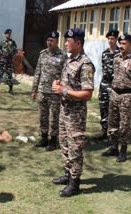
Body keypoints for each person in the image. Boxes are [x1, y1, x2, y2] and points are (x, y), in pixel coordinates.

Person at [52, 29, 95, 197]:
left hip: (76, 114)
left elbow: (88, 94)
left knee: (75, 147)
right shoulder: (69, 60)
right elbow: (68, 83)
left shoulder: (85, 64)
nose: (65, 43)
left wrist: (63, 92)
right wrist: (59, 84)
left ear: (78, 43)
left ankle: (75, 183)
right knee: (64, 144)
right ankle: (68, 174)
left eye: (68, 41)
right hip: (64, 110)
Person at [103, 33, 131, 162]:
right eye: (120, 43)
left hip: (127, 94)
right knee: (112, 121)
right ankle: (114, 147)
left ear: (130, 44)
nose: (121, 46)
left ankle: (123, 150)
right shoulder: (116, 58)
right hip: (115, 92)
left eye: (124, 43)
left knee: (124, 124)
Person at [31, 31, 65, 151]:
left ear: (57, 42)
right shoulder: (42, 54)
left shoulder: (62, 56)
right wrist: (34, 90)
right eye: (48, 40)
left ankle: (53, 141)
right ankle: (44, 138)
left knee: (54, 117)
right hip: (42, 91)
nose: (49, 43)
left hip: (54, 93)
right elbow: (37, 72)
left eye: (52, 41)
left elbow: (64, 74)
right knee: (42, 116)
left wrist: (62, 87)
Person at [95, 30, 120, 141]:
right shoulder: (105, 53)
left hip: (115, 86)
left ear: (116, 39)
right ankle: (104, 131)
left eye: (112, 38)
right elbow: (103, 67)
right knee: (103, 108)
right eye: (109, 38)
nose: (110, 41)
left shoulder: (120, 53)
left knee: (114, 110)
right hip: (105, 84)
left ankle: (113, 134)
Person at [0, 29, 18, 95]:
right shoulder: (2, 42)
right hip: (3, 61)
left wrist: (12, 55)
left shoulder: (13, 42)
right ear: (5, 34)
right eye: (7, 33)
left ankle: (10, 89)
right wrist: (1, 53)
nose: (9, 35)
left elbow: (16, 51)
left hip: (9, 62)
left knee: (9, 76)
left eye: (10, 34)